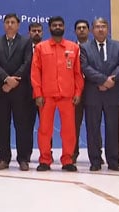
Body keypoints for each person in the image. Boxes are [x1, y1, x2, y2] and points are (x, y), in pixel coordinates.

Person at [31, 16, 83, 172]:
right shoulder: (41, 47)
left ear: (64, 27)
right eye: (55, 25)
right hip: (46, 96)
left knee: (69, 130)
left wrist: (78, 92)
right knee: (45, 130)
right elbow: (35, 72)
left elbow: (77, 73)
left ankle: (68, 160)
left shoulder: (73, 47)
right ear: (50, 28)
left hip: (67, 96)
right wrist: (38, 93)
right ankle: (45, 160)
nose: (58, 27)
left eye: (60, 25)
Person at [79, 17, 119, 172]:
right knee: (93, 129)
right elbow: (85, 67)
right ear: (92, 30)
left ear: (108, 29)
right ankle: (95, 160)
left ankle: (113, 161)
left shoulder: (118, 46)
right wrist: (104, 80)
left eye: (103, 26)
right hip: (93, 92)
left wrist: (111, 80)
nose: (100, 29)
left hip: (113, 93)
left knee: (113, 129)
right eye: (97, 27)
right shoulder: (85, 47)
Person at [0, 14, 34, 171]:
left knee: (21, 126)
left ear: (18, 25)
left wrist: (14, 80)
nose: (9, 25)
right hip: (1, 90)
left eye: (13, 22)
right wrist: (6, 79)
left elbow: (27, 62)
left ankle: (23, 158)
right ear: (3, 25)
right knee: (2, 126)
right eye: (7, 22)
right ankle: (3, 158)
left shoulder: (26, 41)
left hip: (20, 91)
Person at [73, 19, 90, 162]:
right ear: (75, 32)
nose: (82, 30)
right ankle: (73, 154)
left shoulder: (94, 47)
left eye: (84, 27)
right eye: (79, 28)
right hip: (75, 91)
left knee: (93, 124)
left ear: (88, 31)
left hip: (93, 90)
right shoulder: (71, 49)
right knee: (74, 124)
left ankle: (95, 154)